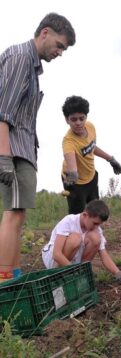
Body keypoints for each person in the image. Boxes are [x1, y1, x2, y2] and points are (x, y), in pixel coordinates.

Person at [0, 13, 76, 283]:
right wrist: (4, 156)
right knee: (13, 214)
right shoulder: (21, 57)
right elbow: (3, 112)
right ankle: (5, 280)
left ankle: (14, 274)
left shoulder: (31, 67)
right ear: (45, 32)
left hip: (22, 148)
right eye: (59, 45)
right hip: (14, 149)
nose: (60, 52)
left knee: (18, 215)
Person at [42, 199, 121, 284]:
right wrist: (73, 271)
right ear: (85, 215)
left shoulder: (96, 229)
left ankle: (81, 273)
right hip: (54, 261)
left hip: (72, 264)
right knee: (76, 238)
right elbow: (56, 254)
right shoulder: (69, 221)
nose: (97, 227)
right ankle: (56, 276)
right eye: (95, 223)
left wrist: (118, 273)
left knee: (95, 238)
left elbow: (104, 255)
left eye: (99, 224)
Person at [61, 95, 121, 215]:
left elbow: (91, 147)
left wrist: (111, 159)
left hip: (91, 177)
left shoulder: (90, 127)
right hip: (75, 184)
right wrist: (72, 175)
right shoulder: (68, 142)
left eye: (81, 118)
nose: (78, 123)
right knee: (77, 218)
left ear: (86, 117)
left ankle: (94, 233)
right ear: (67, 119)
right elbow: (72, 166)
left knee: (96, 213)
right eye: (73, 119)